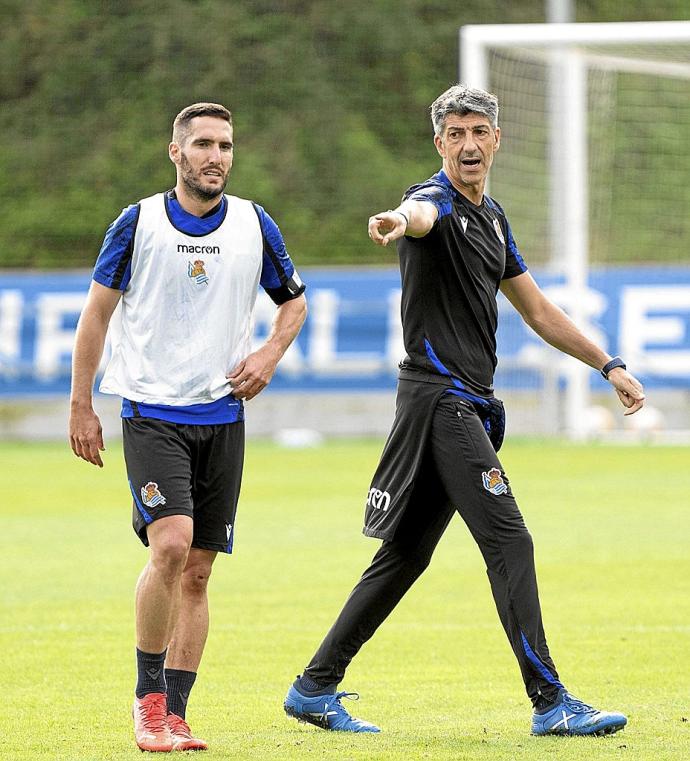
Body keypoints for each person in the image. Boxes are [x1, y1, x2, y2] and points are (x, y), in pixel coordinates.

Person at [283, 84, 645, 737]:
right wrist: (398, 221)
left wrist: (607, 363)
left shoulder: (494, 217)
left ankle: (313, 687)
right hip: (441, 401)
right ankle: (550, 700)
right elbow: (416, 214)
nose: (469, 144)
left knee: (405, 554)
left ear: (497, 139)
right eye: (456, 134)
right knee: (511, 539)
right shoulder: (435, 204)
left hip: (464, 405)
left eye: (479, 131)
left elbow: (538, 311)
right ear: (439, 143)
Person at [69, 102, 307, 752]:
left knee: (199, 570)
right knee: (170, 545)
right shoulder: (138, 222)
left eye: (225, 144)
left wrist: (267, 355)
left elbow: (295, 302)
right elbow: (95, 316)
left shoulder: (256, 225)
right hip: (151, 412)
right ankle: (146, 706)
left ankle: (176, 714)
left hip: (223, 417)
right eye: (202, 143)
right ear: (176, 153)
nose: (216, 156)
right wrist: (80, 403)